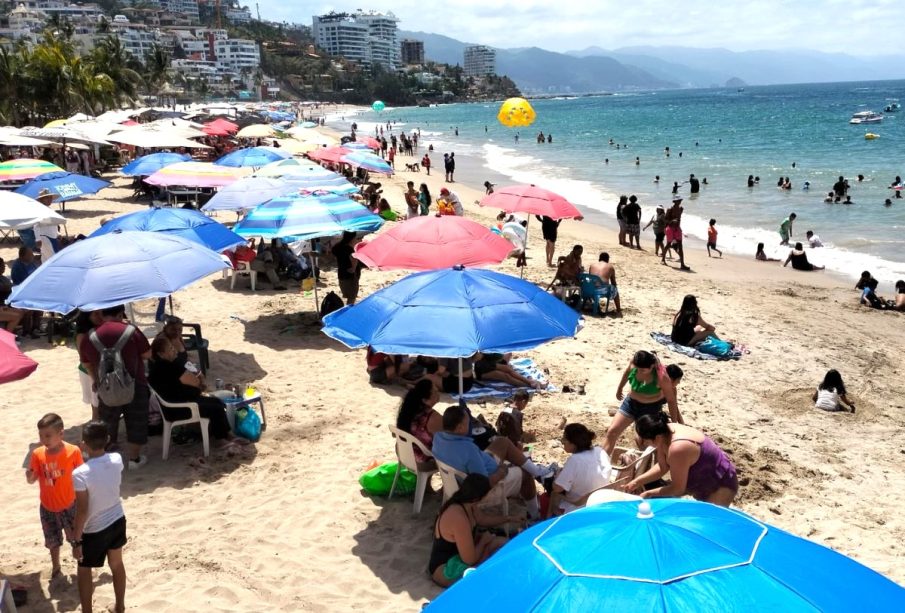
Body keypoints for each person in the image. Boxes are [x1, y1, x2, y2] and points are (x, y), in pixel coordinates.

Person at [432, 405, 551, 517]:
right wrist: (501, 471)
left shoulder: (438, 438)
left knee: (503, 442)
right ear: (459, 428)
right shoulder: (469, 450)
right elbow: (485, 484)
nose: (470, 426)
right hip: (485, 488)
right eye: (468, 423)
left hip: (459, 478)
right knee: (525, 474)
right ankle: (534, 515)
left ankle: (537, 471)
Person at [78, 305, 152, 470]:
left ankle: (103, 459)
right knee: (136, 421)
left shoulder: (91, 336)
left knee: (108, 422)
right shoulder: (131, 330)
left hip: (106, 386)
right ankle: (134, 459)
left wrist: (96, 379)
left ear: (102, 314)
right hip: (135, 383)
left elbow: (86, 363)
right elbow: (147, 354)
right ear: (120, 314)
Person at [148, 336, 248, 447]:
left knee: (216, 402)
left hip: (172, 407)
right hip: (180, 408)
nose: (174, 350)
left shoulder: (155, 369)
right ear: (161, 354)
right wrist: (199, 378)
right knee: (215, 407)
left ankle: (228, 435)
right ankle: (221, 439)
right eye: (170, 349)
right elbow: (194, 381)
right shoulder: (170, 367)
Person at [71, 421, 127, 613]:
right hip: (117, 519)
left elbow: (82, 510)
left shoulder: (79, 474)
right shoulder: (117, 459)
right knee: (117, 564)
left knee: (84, 569)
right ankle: (119, 606)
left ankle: (87, 611)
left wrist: (76, 540)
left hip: (95, 528)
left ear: (83, 445)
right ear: (108, 439)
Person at [625, 413, 738, 507]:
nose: (645, 444)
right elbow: (662, 467)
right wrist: (637, 482)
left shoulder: (677, 448)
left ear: (657, 437)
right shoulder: (663, 431)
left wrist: (649, 493)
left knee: (711, 524)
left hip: (721, 483)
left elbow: (678, 489)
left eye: (645, 441)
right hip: (701, 481)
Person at [25, 413, 84, 579]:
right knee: (52, 540)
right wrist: (30, 476)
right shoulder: (37, 454)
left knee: (76, 536)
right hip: (47, 506)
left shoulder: (73, 451)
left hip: (70, 504)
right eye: (41, 435)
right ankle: (56, 566)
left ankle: (81, 562)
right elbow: (32, 478)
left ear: (61, 434)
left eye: (48, 435)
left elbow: (82, 475)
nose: (44, 439)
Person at [428, 473, 510, 587]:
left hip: (459, 558)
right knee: (490, 570)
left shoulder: (469, 504)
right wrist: (483, 541)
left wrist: (509, 518)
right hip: (446, 569)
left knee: (503, 543)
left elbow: (483, 519)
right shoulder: (458, 517)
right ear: (477, 498)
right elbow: (469, 560)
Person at [603, 350, 680, 456]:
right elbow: (626, 373)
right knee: (612, 431)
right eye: (637, 369)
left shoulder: (661, 376)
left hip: (650, 409)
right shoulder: (634, 364)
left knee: (644, 442)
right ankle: (600, 463)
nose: (639, 371)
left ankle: (646, 466)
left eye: (643, 370)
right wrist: (619, 388)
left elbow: (671, 400)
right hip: (631, 404)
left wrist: (674, 423)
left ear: (652, 366)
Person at [547, 423, 612, 517]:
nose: (562, 441)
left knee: (552, 492)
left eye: (564, 439)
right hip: (599, 499)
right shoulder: (600, 451)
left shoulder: (575, 460)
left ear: (573, 443)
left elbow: (557, 488)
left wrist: (558, 474)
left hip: (578, 505)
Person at [396, 379, 442, 462]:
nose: (438, 392)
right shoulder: (432, 417)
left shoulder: (409, 410)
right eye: (435, 391)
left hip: (404, 453)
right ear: (425, 400)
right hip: (422, 459)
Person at [332, 231, 362, 305]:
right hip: (350, 275)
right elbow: (354, 259)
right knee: (352, 297)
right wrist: (353, 268)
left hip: (341, 273)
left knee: (348, 295)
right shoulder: (349, 249)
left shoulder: (337, 247)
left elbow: (331, 256)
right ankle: (348, 312)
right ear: (352, 238)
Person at [34, 189, 61, 262]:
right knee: (51, 258)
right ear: (41, 199)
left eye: (50, 197)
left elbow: (53, 225)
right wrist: (38, 239)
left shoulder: (50, 210)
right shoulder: (39, 210)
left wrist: (57, 233)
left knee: (47, 258)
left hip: (52, 237)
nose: (50, 199)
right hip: (45, 237)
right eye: (47, 198)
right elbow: (36, 225)